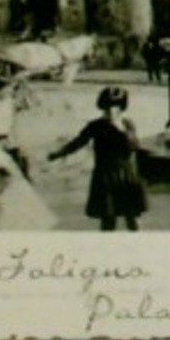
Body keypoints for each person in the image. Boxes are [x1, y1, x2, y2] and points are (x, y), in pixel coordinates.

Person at [48, 85, 148, 232]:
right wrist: (59, 153)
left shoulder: (128, 124)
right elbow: (79, 142)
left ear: (121, 108)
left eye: (115, 107)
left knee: (133, 219)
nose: (111, 111)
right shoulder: (95, 126)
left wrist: (120, 129)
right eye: (107, 107)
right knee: (108, 219)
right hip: (105, 175)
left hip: (127, 175)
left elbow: (134, 146)